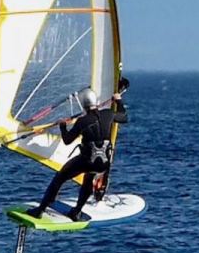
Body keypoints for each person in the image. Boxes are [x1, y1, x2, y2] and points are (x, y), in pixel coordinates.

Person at [26, 78, 129, 221]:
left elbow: (67, 140)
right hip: (104, 163)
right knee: (89, 177)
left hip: (87, 161)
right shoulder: (108, 114)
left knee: (60, 177)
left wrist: (63, 127)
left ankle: (40, 209)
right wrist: (118, 100)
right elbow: (124, 117)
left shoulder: (82, 121)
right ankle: (76, 212)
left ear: (83, 105)